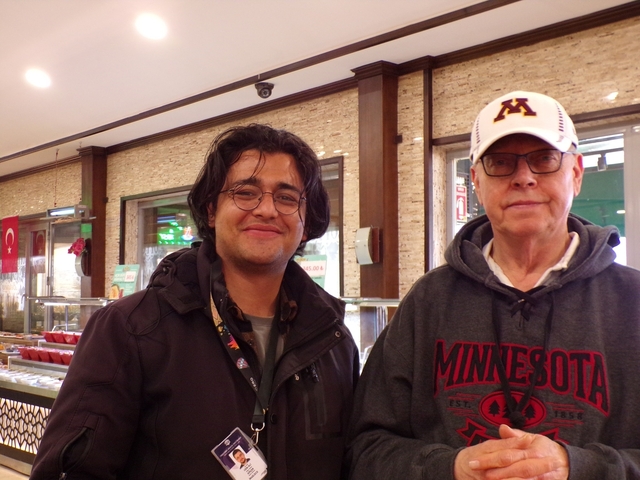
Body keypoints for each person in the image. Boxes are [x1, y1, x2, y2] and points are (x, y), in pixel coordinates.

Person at [31, 124, 359, 479]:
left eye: (286, 197)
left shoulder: (335, 343)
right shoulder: (131, 330)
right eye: (245, 192)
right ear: (211, 211)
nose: (266, 209)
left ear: (305, 222)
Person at [346, 91, 640, 479]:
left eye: (544, 159)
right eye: (501, 163)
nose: (524, 177)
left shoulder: (632, 302)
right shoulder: (428, 301)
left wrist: (580, 467)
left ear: (576, 173)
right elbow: (364, 449)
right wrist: (449, 468)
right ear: (477, 183)